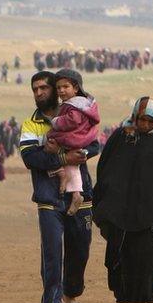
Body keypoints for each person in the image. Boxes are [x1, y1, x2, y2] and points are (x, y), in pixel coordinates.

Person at [20, 71, 98, 303]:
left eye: (44, 88)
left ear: (55, 89)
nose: (39, 93)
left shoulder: (75, 114)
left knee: (80, 249)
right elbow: (31, 158)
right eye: (35, 89)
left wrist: (82, 152)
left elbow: (95, 143)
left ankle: (71, 297)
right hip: (48, 197)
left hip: (80, 193)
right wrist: (64, 159)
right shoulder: (31, 124)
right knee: (52, 252)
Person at [93, 97, 153, 303]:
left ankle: (147, 294)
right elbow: (106, 168)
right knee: (124, 255)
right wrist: (106, 199)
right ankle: (124, 295)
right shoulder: (122, 136)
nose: (143, 125)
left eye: (148, 120)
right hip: (123, 209)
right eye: (140, 119)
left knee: (152, 255)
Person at [47, 69, 100, 216]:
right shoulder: (73, 104)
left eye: (65, 87)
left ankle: (75, 192)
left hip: (74, 139)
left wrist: (57, 122)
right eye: (58, 88)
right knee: (65, 159)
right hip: (73, 139)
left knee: (69, 161)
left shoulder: (76, 105)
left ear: (76, 88)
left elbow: (94, 146)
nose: (61, 90)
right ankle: (65, 180)